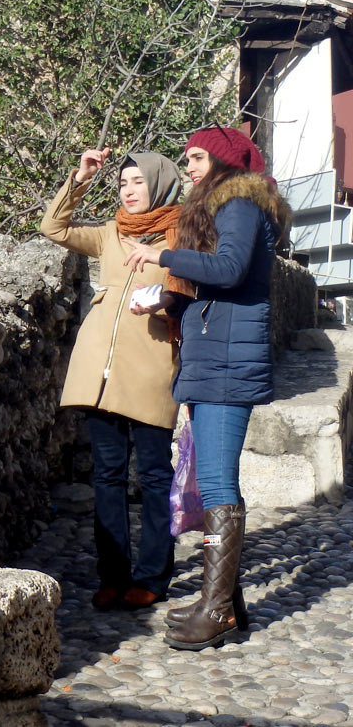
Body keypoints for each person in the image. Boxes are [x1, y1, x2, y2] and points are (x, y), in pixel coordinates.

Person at [123, 126, 291, 650]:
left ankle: (215, 609)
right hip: (215, 359)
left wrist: (162, 257)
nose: (188, 166)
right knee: (215, 479)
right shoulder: (229, 205)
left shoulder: (239, 204)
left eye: (196, 157)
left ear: (220, 160)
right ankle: (226, 602)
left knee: (218, 483)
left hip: (226, 364)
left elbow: (230, 269)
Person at [40, 146, 186, 612]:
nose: (128, 190)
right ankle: (113, 576)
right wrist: (80, 178)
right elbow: (53, 227)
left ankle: (153, 577)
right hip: (96, 373)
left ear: (160, 184)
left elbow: (196, 289)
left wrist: (165, 301)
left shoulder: (181, 235)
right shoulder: (108, 234)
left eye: (138, 181)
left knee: (155, 476)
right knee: (106, 475)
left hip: (151, 368)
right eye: (123, 183)